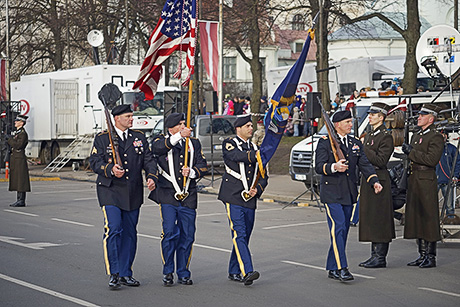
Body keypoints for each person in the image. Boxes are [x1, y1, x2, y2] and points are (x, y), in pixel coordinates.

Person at [89, 104, 158, 289]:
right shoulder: (103, 138)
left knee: (130, 233)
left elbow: (149, 160)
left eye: (131, 116)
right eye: (127, 116)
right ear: (116, 118)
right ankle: (115, 273)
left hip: (132, 191)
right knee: (114, 228)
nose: (131, 119)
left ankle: (126, 272)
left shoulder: (139, 137)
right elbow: (94, 162)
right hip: (110, 190)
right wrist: (110, 169)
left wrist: (151, 177)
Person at [315, 110, 382, 282]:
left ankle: (332, 267)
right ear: (337, 125)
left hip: (348, 192)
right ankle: (342, 267)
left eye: (351, 122)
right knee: (338, 228)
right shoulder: (325, 143)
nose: (351, 125)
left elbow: (364, 163)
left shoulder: (354, 143)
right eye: (347, 122)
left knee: (342, 231)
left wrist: (374, 180)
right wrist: (334, 167)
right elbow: (319, 166)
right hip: (331, 193)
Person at [149, 113, 208, 286]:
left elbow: (203, 165)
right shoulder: (161, 141)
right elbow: (158, 149)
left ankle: (183, 271)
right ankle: (168, 271)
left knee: (187, 235)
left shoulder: (193, 143)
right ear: (171, 128)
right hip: (168, 194)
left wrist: (193, 172)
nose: (184, 127)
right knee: (169, 233)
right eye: (180, 124)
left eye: (184, 124)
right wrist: (178, 137)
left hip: (188, 195)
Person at [218, 114, 268, 286]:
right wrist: (258, 154)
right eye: (247, 126)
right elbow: (237, 156)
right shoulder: (230, 143)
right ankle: (246, 271)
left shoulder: (254, 147)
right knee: (239, 232)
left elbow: (264, 176)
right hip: (233, 195)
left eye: (251, 125)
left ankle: (233, 270)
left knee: (245, 235)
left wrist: (258, 189)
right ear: (238, 128)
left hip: (249, 197)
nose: (250, 128)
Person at [402, 103, 444, 268]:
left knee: (428, 217)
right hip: (414, 178)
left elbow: (431, 159)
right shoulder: (417, 134)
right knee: (417, 217)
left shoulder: (435, 137)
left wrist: (411, 152)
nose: (418, 117)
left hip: (426, 179)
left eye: (422, 115)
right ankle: (421, 254)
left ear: (431, 118)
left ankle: (430, 256)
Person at [358, 102, 395, 268]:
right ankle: (374, 255)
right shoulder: (371, 135)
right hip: (369, 179)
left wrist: (364, 148)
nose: (370, 116)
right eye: (370, 114)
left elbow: (381, 160)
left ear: (381, 117)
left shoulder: (385, 136)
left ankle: (380, 257)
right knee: (372, 217)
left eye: (373, 114)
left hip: (379, 178)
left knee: (380, 218)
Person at [7, 114, 31, 207]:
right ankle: (18, 199)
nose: (15, 122)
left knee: (21, 179)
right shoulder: (18, 133)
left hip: (19, 158)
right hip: (15, 158)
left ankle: (21, 200)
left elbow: (18, 145)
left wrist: (9, 140)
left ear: (21, 123)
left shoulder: (23, 134)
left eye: (17, 121)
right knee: (17, 179)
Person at [436, 131, 460, 218]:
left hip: (447, 181)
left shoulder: (451, 149)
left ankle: (450, 222)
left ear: (446, 136)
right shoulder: (434, 148)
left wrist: (455, 175)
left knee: (449, 206)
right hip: (435, 180)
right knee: (431, 204)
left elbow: (457, 162)